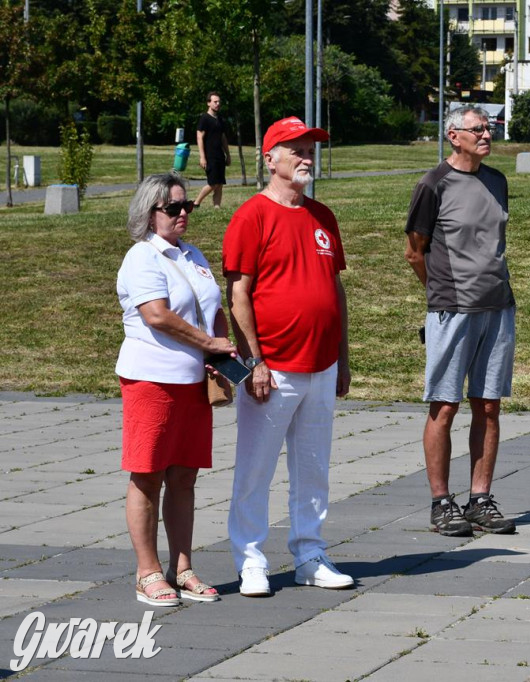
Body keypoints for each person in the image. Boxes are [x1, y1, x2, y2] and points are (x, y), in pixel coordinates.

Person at [223, 116, 353, 597]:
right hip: (273, 368)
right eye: (295, 149)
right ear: (269, 158)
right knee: (256, 468)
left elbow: (334, 290)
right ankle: (251, 560)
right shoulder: (251, 215)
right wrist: (253, 363)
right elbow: (238, 294)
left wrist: (343, 356)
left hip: (321, 365)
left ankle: (309, 553)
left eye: (310, 148)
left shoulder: (322, 216)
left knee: (313, 467)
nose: (305, 157)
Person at [117, 172, 235, 606]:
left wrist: (221, 354)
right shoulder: (142, 257)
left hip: (193, 384)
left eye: (188, 206)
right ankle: (147, 573)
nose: (184, 213)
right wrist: (209, 343)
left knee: (184, 476)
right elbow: (157, 316)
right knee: (147, 476)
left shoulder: (191, 254)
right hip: (152, 380)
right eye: (174, 208)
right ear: (150, 214)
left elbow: (214, 308)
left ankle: (182, 567)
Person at [404, 105, 517, 537]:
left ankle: (480, 499)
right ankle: (441, 503)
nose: (486, 135)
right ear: (454, 135)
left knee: (488, 406)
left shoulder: (497, 181)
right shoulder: (433, 184)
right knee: (445, 406)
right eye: (478, 129)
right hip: (452, 309)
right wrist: (440, 294)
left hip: (498, 306)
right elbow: (416, 251)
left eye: (489, 128)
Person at [195, 92, 231, 209]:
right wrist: (202, 157)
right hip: (209, 155)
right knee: (213, 183)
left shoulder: (220, 119)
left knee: (220, 184)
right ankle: (196, 203)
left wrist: (228, 155)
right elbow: (199, 136)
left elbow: (223, 138)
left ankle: (217, 207)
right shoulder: (204, 118)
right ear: (209, 103)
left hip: (219, 154)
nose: (218, 104)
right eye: (215, 102)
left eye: (219, 102)